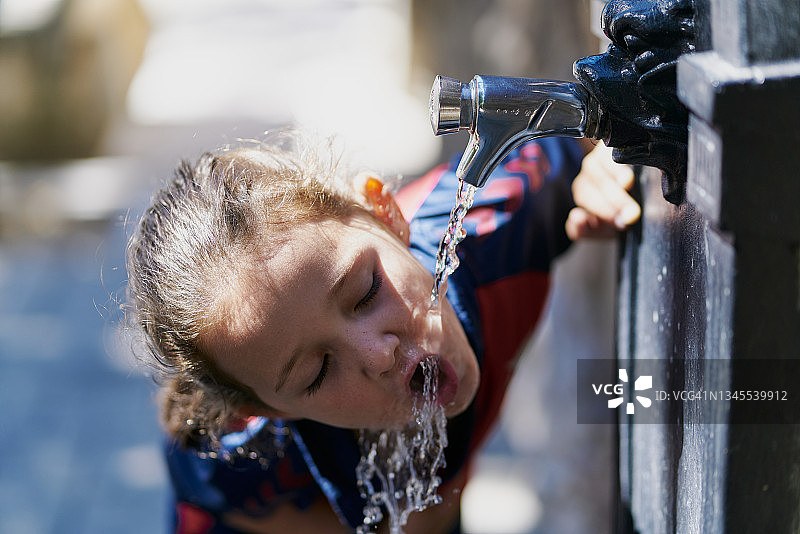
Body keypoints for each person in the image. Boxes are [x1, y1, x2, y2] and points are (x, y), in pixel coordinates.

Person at [126, 132, 639, 534]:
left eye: (366, 292)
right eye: (318, 371)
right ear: (268, 410)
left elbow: (579, 134)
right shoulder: (249, 450)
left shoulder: (491, 221)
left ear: (386, 213)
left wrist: (604, 165)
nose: (379, 353)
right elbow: (192, 473)